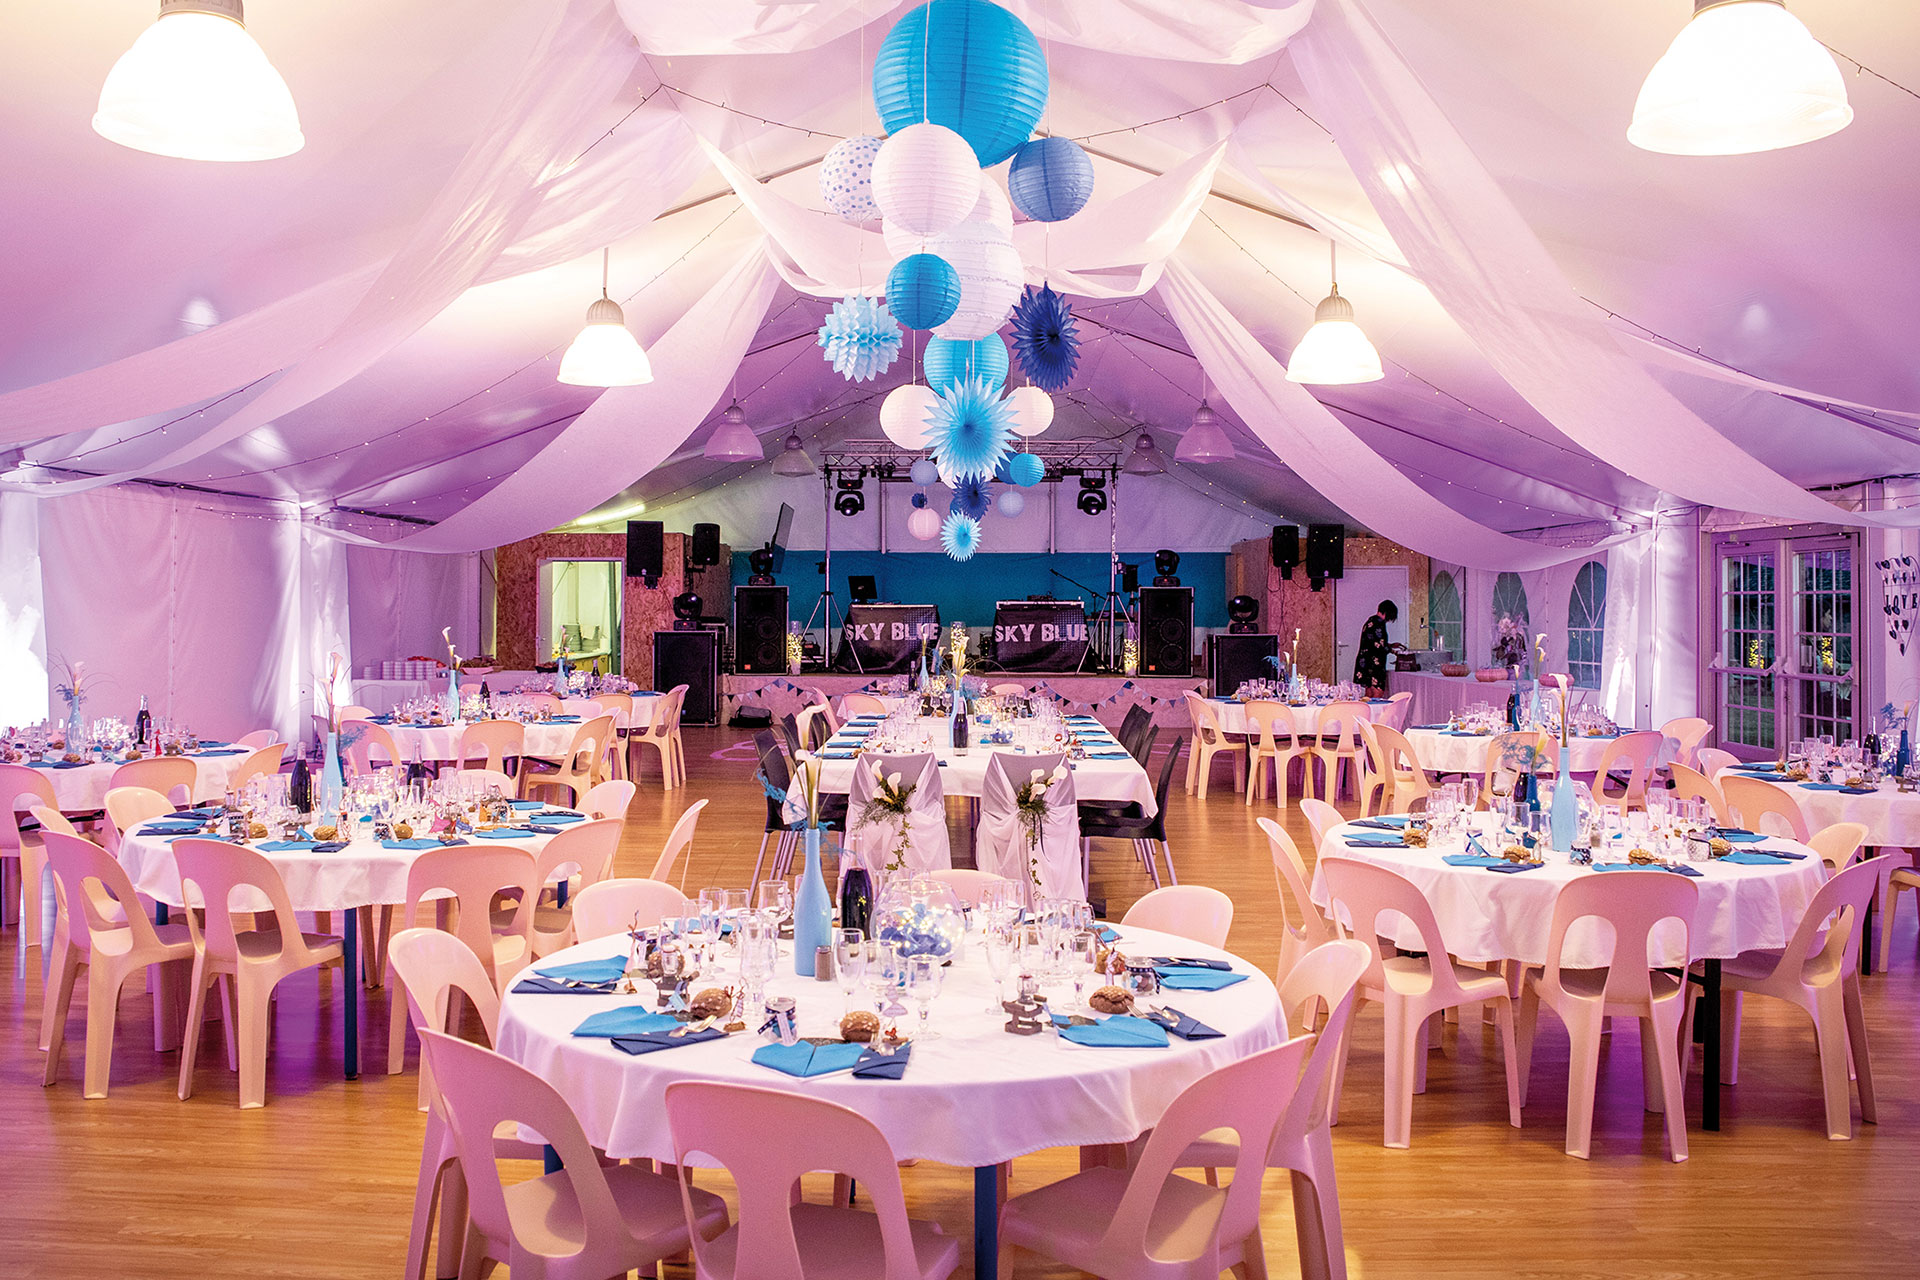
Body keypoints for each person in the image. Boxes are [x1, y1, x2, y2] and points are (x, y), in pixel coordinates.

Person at [1354, 600, 1398, 696]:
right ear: (1386, 613)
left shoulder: (1370, 621)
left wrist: (1390, 645)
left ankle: (1366, 711)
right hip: (1375, 663)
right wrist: (1395, 652)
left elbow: (1373, 642)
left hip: (1365, 660)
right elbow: (1380, 647)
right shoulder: (1379, 623)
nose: (1389, 620)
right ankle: (1376, 711)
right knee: (1378, 692)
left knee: (1368, 693)